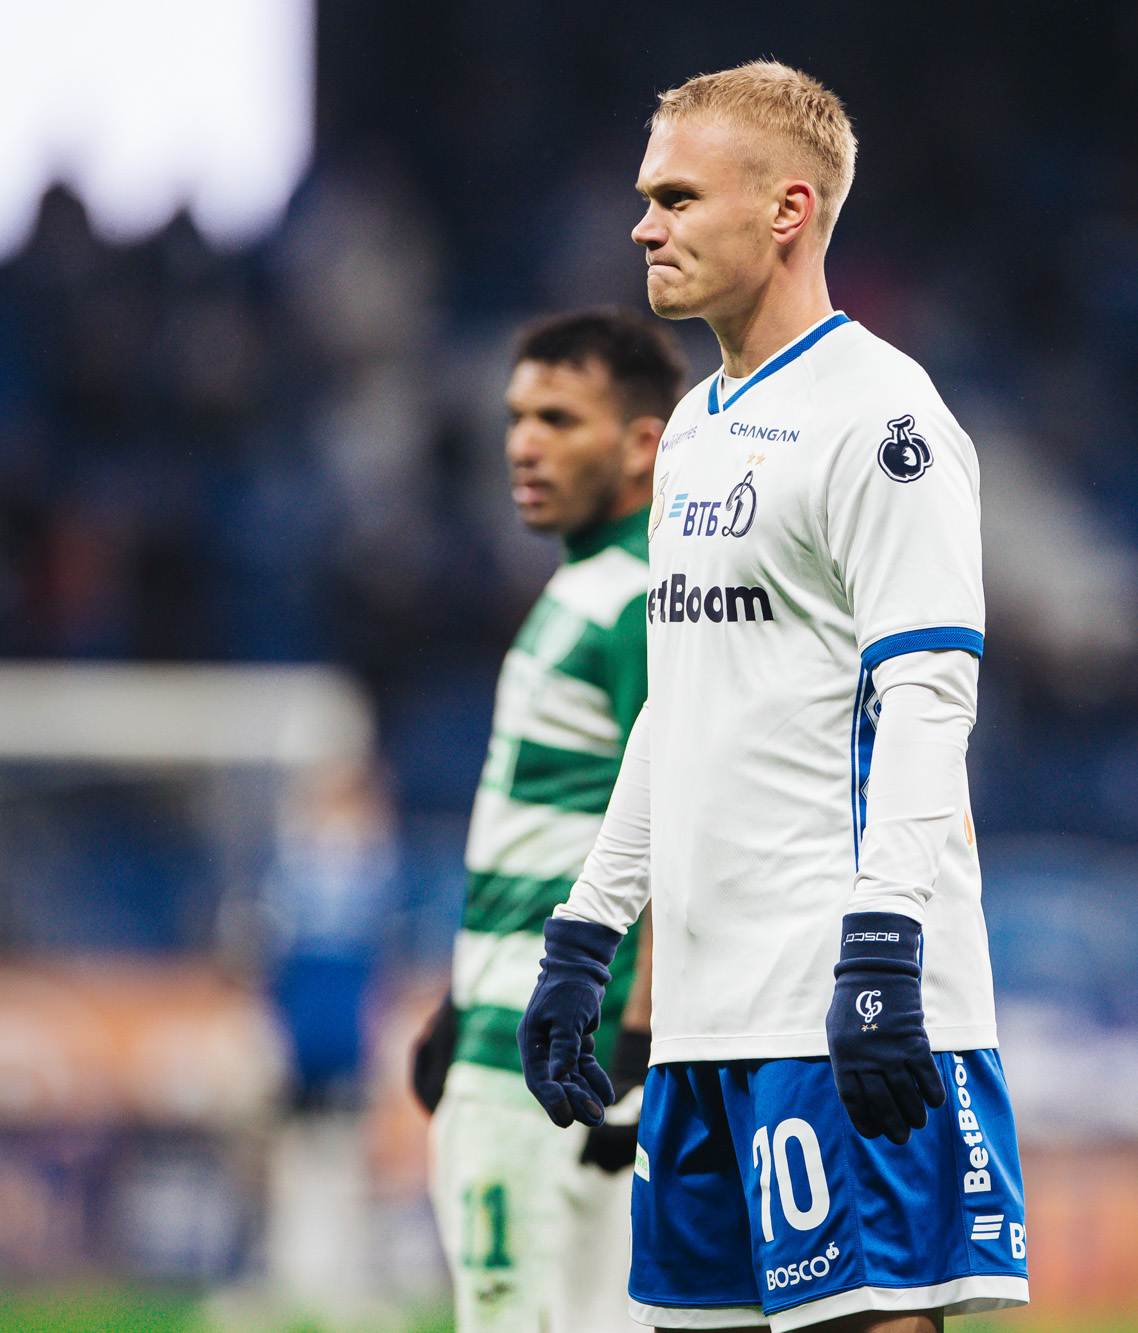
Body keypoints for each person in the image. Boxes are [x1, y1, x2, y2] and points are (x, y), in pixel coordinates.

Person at [517, 63, 1027, 1332]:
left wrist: (883, 944)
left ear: (788, 210)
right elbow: (676, 704)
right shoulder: (691, 428)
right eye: (648, 198)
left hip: (836, 992)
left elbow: (927, 693)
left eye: (677, 198)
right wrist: (587, 932)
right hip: (706, 1016)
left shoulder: (884, 419)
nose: (643, 227)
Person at [413, 310, 688, 1332]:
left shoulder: (645, 596)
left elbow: (680, 819)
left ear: (642, 443)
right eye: (517, 416)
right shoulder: (585, 582)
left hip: (564, 1066)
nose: (523, 443)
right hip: (511, 1032)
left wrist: (639, 1041)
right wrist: (462, 999)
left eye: (559, 419)